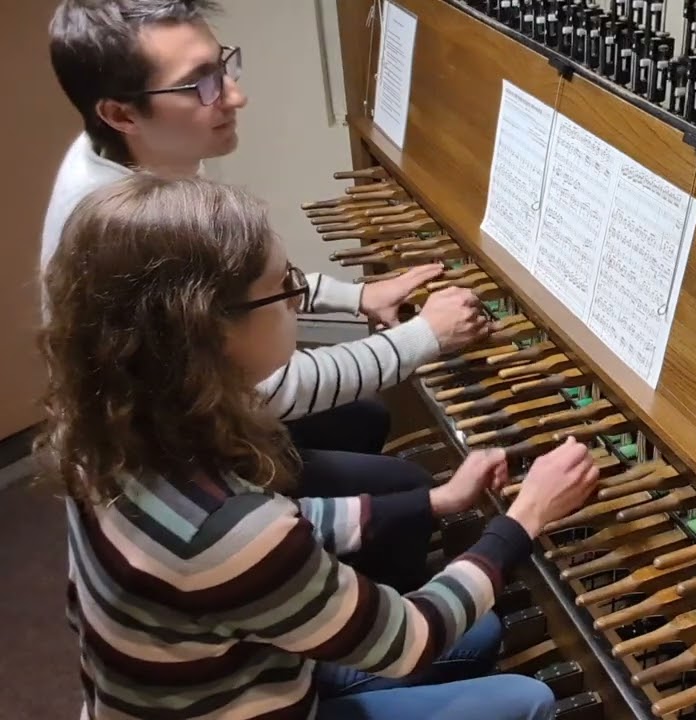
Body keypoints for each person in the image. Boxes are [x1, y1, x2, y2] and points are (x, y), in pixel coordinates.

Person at [39, 173, 601, 720]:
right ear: (211, 332)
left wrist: (434, 503)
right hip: (240, 699)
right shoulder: (235, 533)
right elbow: (413, 638)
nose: (297, 300)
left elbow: (278, 530)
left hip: (195, 683)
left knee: (480, 631)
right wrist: (524, 520)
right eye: (283, 287)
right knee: (530, 699)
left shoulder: (105, 430)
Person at [43, 0, 459, 594]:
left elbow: (240, 284)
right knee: (400, 485)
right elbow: (270, 389)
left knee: (363, 416)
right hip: (169, 476)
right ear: (120, 112)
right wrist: (425, 338)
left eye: (223, 68)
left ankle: (313, 587)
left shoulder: (137, 155)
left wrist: (358, 295)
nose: (234, 97)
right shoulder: (130, 224)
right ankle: (342, 637)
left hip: (185, 426)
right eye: (202, 84)